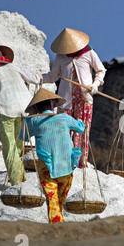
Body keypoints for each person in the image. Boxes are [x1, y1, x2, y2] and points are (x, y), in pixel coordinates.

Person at [39, 27, 106, 168]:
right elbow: (52, 76)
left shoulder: (89, 53)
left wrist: (95, 84)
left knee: (82, 130)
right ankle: (64, 162)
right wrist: (37, 78)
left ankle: (81, 163)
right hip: (65, 100)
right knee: (63, 130)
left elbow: (100, 70)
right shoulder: (61, 57)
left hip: (84, 99)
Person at [0, 45, 41, 185]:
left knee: (9, 148)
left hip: (6, 112)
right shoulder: (15, 66)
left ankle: (17, 182)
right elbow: (34, 79)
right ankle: (21, 177)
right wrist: (39, 77)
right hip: (24, 111)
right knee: (18, 145)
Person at [23, 88, 85, 223]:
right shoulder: (64, 117)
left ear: (36, 107)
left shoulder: (34, 121)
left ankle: (57, 226)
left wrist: (30, 118)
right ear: (52, 104)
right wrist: (79, 120)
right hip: (66, 166)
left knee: (53, 201)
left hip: (47, 166)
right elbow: (80, 128)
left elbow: (23, 136)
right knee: (58, 202)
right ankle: (58, 225)